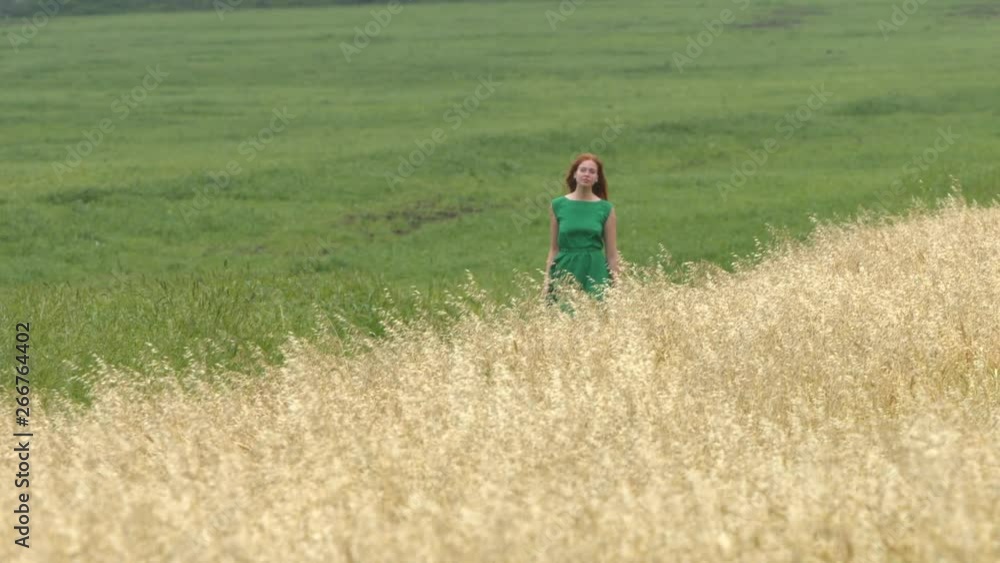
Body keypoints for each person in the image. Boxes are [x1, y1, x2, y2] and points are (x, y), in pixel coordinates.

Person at [542, 153, 620, 309]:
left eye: (592, 171)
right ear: (575, 175)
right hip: (565, 268)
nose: (587, 174)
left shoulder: (606, 209)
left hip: (595, 270)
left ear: (597, 178)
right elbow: (554, 249)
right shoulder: (558, 205)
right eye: (583, 170)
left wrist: (617, 286)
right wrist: (546, 282)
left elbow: (611, 254)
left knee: (595, 315)